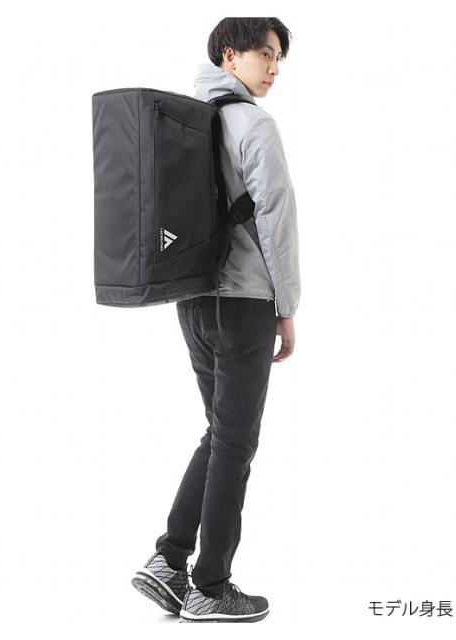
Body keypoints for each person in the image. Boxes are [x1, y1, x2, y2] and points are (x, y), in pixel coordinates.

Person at [131, 17, 300, 623]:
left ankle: (169, 561)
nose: (273, 68)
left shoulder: (184, 121)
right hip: (245, 300)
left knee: (220, 432)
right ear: (231, 56)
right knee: (235, 440)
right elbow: (276, 219)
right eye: (265, 54)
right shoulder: (253, 124)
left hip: (193, 297)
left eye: (279, 59)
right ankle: (210, 584)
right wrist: (287, 306)